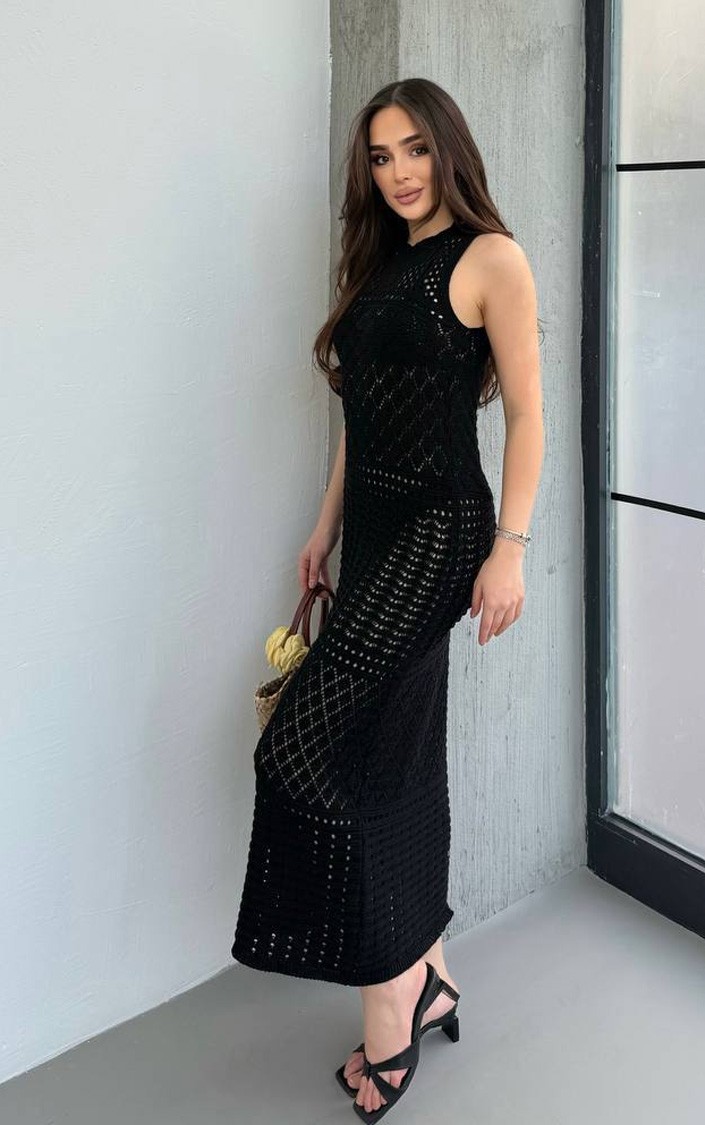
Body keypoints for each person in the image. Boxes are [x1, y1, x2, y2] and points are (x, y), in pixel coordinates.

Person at [231, 77, 544, 1121]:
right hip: (368, 533)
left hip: (441, 530)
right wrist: (322, 529)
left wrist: (509, 550)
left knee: (302, 749)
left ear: (447, 148)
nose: (399, 172)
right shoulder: (380, 266)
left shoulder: (490, 259)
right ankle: (430, 968)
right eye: (380, 156)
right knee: (389, 751)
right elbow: (360, 421)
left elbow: (530, 416)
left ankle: (393, 994)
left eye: (414, 149)